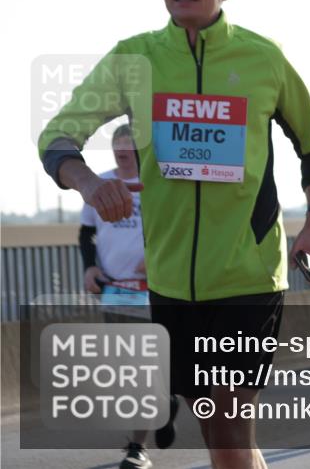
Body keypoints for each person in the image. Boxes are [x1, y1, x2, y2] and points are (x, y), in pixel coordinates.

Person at [38, 0, 310, 469]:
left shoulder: (262, 58)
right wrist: (88, 183)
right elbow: (57, 136)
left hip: (247, 274)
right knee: (220, 429)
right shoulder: (135, 58)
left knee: (227, 421)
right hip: (172, 280)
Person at [79, 125, 179, 469]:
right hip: (114, 288)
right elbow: (87, 233)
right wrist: (89, 267)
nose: (122, 153)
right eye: (117, 148)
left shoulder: (158, 182)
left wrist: (156, 258)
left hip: (154, 288)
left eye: (128, 148)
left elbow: (178, 228)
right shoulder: (102, 185)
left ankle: (138, 447)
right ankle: (163, 403)